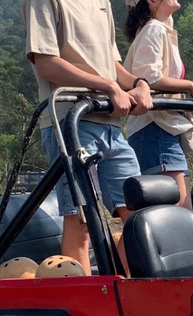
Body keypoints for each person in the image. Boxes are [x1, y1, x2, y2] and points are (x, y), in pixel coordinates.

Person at [22, 0, 153, 274]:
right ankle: (84, 302)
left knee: (139, 214)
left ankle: (138, 296)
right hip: (71, 119)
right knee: (81, 219)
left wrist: (139, 84)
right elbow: (46, 63)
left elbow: (111, 63)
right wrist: (106, 86)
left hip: (110, 123)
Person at [123, 0, 193, 210]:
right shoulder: (154, 29)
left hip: (162, 129)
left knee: (177, 212)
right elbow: (148, 79)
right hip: (155, 129)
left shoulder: (160, 30)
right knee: (177, 213)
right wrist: (190, 86)